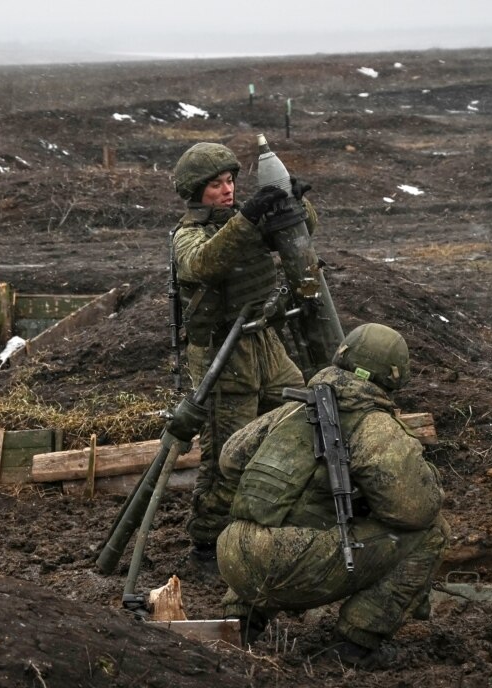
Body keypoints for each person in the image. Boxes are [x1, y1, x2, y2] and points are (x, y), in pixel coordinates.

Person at [215, 323, 450, 666]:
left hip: (233, 553)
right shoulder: (375, 426)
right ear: (394, 376)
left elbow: (230, 459)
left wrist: (295, 484)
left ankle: (240, 621)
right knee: (432, 533)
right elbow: (415, 511)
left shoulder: (295, 406)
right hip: (288, 565)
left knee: (283, 517)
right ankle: (354, 645)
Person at [171, 141, 313, 562]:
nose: (227, 191)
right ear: (197, 191)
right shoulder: (188, 235)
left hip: (263, 340)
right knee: (226, 454)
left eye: (231, 182)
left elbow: (298, 237)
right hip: (222, 353)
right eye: (216, 185)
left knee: (299, 416)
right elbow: (205, 263)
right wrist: (249, 218)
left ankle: (275, 513)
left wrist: (295, 205)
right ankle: (208, 544)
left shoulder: (240, 222)